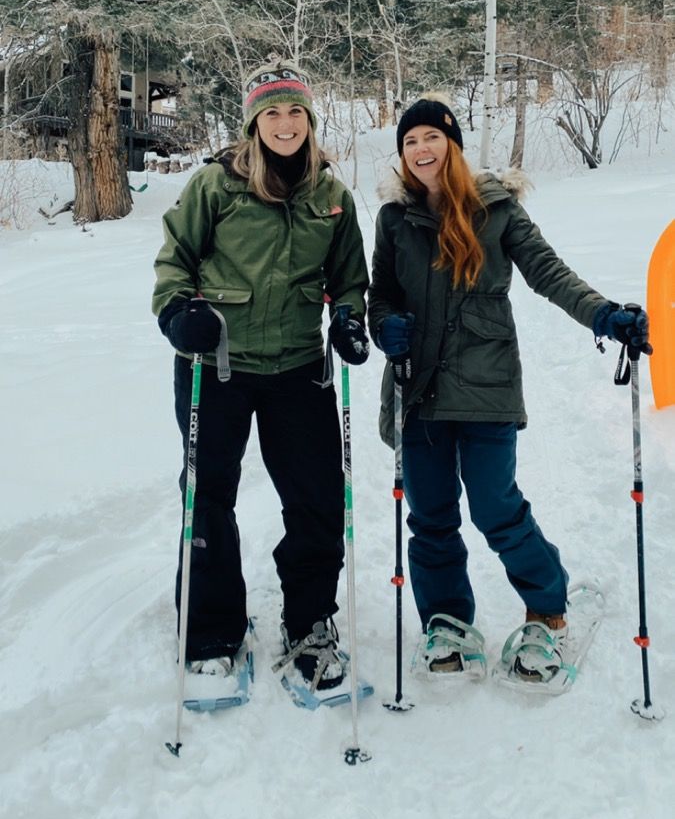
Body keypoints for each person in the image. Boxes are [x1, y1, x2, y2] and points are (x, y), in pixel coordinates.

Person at [368, 93, 650, 683]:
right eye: (410, 142)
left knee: (495, 506)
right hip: (418, 388)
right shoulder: (394, 218)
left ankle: (548, 609)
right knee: (432, 514)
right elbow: (382, 294)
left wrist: (603, 316)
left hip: (487, 379)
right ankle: (445, 618)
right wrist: (383, 326)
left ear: (453, 145)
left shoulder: (496, 209)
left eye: (432, 138)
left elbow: (549, 273)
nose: (421, 150)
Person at [152, 62, 369, 692]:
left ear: (310, 119)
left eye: (295, 112)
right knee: (208, 497)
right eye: (271, 113)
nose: (284, 124)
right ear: (253, 122)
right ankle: (211, 625)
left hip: (298, 364)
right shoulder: (215, 187)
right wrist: (178, 312)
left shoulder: (332, 196)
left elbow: (349, 277)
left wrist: (349, 320)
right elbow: (175, 260)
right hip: (215, 363)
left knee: (318, 499)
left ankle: (310, 621)